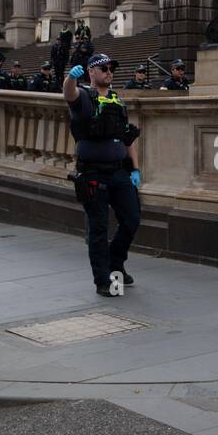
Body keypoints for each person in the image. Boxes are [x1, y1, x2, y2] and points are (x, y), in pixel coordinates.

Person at [63, 52, 141, 297]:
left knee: (132, 219)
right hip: (93, 174)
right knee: (98, 229)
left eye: (111, 68)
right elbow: (69, 95)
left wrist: (136, 169)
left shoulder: (118, 101)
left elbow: (128, 138)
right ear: (91, 72)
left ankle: (115, 262)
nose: (109, 72)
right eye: (104, 68)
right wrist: (69, 79)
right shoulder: (85, 96)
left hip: (119, 173)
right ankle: (103, 280)